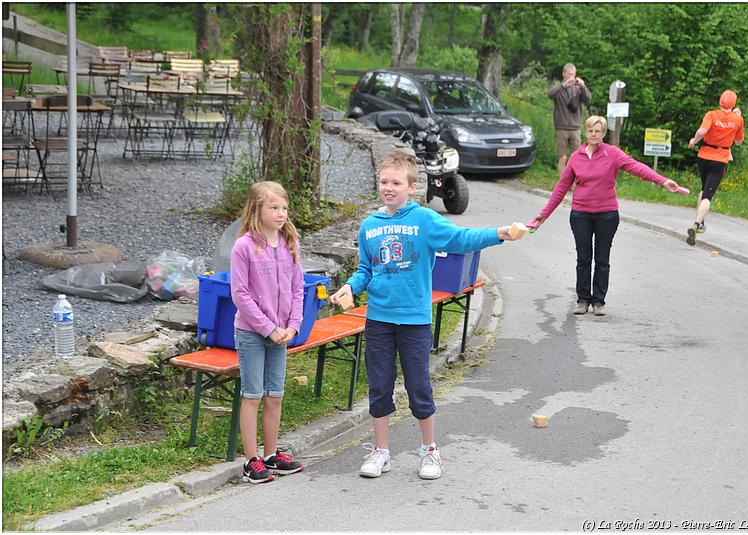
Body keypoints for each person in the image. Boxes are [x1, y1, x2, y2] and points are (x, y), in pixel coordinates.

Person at [329, 152, 517, 480]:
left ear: (412, 187)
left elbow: (461, 240)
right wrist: (350, 286)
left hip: (414, 320)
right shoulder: (369, 226)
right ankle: (381, 451)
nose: (389, 188)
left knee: (419, 386)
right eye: (384, 182)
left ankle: (430, 450)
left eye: (396, 183)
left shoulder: (424, 221)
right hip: (379, 320)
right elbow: (365, 269)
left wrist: (498, 233)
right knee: (379, 386)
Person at [530, 116, 680, 316]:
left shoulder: (613, 154)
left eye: (598, 131)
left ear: (603, 133)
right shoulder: (576, 157)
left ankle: (599, 302)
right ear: (585, 132)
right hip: (580, 214)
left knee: (602, 259)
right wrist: (543, 216)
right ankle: (583, 300)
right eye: (590, 130)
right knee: (583, 258)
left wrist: (663, 181)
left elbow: (638, 168)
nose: (594, 134)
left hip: (607, 215)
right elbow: (561, 189)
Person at [230, 181, 305, 484]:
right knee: (252, 395)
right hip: (252, 333)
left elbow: (298, 288)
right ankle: (251, 461)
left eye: (284, 207)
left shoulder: (290, 243)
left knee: (275, 395)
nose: (281, 213)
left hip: (282, 334)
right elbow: (240, 294)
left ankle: (271, 454)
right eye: (273, 207)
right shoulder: (244, 247)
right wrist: (269, 328)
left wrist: (293, 326)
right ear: (257, 209)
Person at [686, 89, 745, 245]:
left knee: (703, 188)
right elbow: (739, 142)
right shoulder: (738, 120)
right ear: (734, 104)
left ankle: (701, 222)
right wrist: (737, 121)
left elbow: (702, 130)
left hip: (704, 156)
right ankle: (697, 224)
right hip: (720, 159)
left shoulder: (711, 114)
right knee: (708, 196)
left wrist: (694, 140)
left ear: (720, 102)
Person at [548, 63, 592, 177]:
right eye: (569, 74)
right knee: (562, 157)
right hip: (561, 127)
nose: (571, 77)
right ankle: (562, 184)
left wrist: (583, 86)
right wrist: (563, 86)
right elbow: (550, 94)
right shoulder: (558, 88)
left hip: (575, 128)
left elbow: (588, 99)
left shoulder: (578, 88)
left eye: (573, 75)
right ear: (563, 74)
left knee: (576, 157)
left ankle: (574, 184)